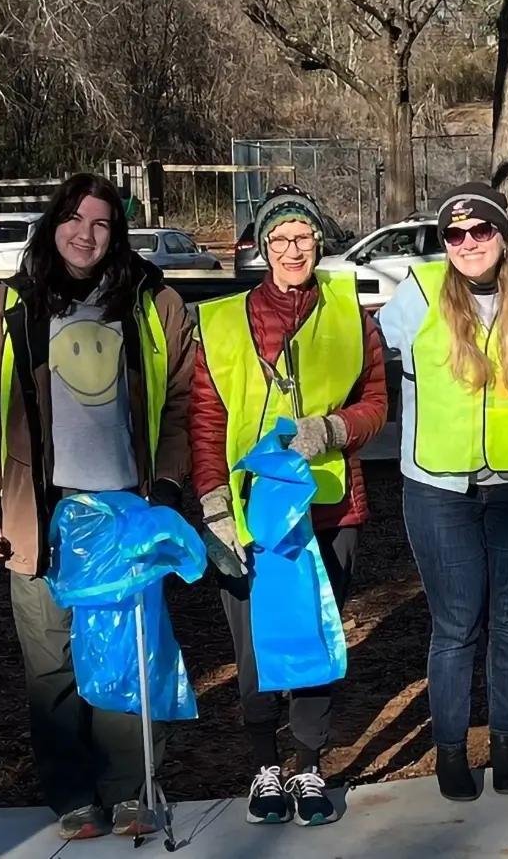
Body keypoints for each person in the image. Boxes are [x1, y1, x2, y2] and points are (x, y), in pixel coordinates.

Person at [0, 173, 196, 840]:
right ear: (53, 222)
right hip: (41, 510)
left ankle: (129, 790)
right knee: (52, 657)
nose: (86, 233)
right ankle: (72, 792)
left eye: (101, 222)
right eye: (74, 218)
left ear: (116, 232)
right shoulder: (9, 307)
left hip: (125, 505)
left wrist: (169, 484)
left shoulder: (153, 302)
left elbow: (180, 399)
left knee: (125, 651)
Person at [191, 187, 388, 826]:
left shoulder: (350, 316)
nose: (292, 250)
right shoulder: (220, 321)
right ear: (262, 248)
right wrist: (214, 506)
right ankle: (263, 767)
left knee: (314, 639)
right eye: (279, 240)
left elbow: (376, 404)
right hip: (249, 514)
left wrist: (331, 429)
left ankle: (307, 766)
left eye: (302, 236)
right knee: (252, 644)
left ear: (318, 242)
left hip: (330, 508)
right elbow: (203, 420)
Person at [376, 181, 508, 802]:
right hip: (439, 487)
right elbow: (362, 360)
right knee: (456, 625)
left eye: (480, 230)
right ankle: (452, 750)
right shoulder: (418, 294)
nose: (467, 244)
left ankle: (506, 740)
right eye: (454, 235)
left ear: (501, 234)